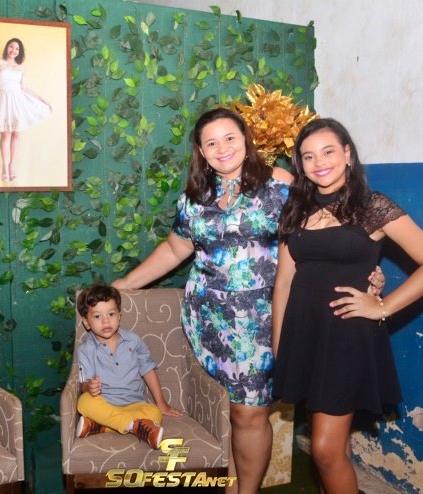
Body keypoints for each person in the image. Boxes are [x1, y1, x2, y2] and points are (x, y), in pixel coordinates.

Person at [112, 108, 384, 494]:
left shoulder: (281, 185)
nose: (222, 148)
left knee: (249, 412)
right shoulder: (194, 198)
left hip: (265, 319)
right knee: (232, 412)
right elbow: (175, 249)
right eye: (211, 143)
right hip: (208, 321)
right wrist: (125, 283)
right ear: (201, 152)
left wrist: (366, 272)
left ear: (246, 139)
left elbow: (335, 230)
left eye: (230, 138)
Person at [271, 118, 423, 494]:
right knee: (336, 447)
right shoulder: (295, 209)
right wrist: (279, 346)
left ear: (348, 154)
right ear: (300, 164)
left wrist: (382, 307)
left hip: (347, 336)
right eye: (308, 156)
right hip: (307, 335)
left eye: (328, 151)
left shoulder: (373, 206)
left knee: (323, 450)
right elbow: (284, 281)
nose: (319, 162)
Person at [74, 284, 182, 449]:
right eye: (97, 316)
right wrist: (89, 386)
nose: (105, 320)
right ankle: (134, 426)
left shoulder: (133, 341)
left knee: (154, 413)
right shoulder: (85, 350)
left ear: (119, 316)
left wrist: (161, 403)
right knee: (84, 402)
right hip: (105, 403)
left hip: (134, 404)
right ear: (86, 322)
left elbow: (148, 369)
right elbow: (83, 385)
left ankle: (102, 426)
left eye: (111, 314)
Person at [0, 37, 51, 182]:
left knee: (16, 134)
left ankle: (11, 166)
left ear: (19, 52)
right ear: (7, 47)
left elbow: (24, 88)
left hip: (18, 101)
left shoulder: (20, 67)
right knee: (5, 134)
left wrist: (40, 98)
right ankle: (4, 166)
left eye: (17, 49)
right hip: (4, 100)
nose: (14, 50)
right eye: (11, 46)